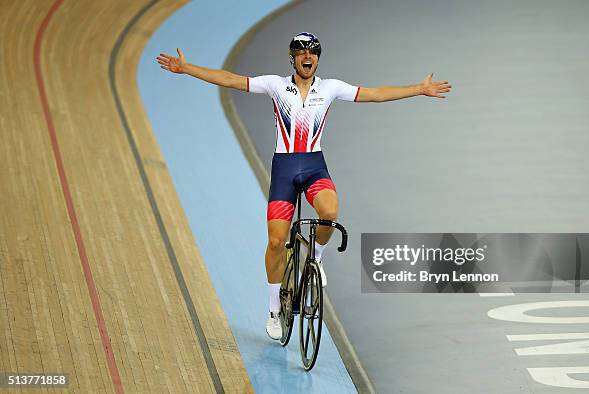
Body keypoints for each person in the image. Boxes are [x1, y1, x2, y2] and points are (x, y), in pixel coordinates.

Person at [157, 32, 452, 340]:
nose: (307, 57)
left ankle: (317, 258)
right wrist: (189, 68)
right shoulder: (275, 84)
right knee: (275, 242)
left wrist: (420, 89)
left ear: (317, 59)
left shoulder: (331, 88)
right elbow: (231, 79)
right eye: (301, 53)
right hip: (284, 170)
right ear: (293, 58)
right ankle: (273, 309)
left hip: (313, 166)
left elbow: (375, 94)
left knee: (330, 211)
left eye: (312, 52)